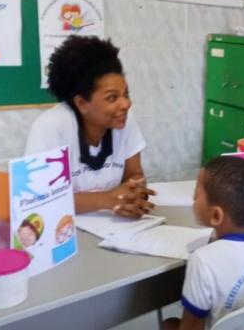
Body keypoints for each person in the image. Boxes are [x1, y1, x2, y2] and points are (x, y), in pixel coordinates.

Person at [25, 35, 155, 217]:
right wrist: (108, 199)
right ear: (82, 104)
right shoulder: (51, 126)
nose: (125, 104)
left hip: (115, 229)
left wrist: (135, 193)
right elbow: (41, 199)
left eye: (125, 94)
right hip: (64, 231)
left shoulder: (125, 120)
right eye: (112, 97)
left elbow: (134, 174)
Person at [162, 156, 244, 330]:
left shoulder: (203, 260)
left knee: (168, 325)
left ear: (216, 216)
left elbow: (191, 327)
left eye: (196, 194)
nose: (192, 198)